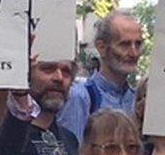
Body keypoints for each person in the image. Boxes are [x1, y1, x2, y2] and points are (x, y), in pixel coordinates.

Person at [57, 10, 144, 143]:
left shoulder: (136, 99)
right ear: (101, 47)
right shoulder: (80, 97)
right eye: (125, 44)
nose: (134, 53)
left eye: (138, 44)